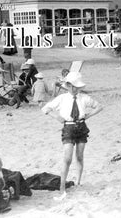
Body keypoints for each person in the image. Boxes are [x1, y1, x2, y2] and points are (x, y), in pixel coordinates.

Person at [42, 72, 103, 200]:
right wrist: (57, 117)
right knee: (67, 158)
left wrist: (89, 115)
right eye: (74, 87)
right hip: (68, 127)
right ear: (68, 86)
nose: (76, 89)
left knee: (80, 156)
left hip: (81, 127)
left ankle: (78, 182)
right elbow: (45, 108)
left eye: (78, 87)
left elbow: (99, 106)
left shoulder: (84, 98)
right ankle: (62, 187)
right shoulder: (62, 98)